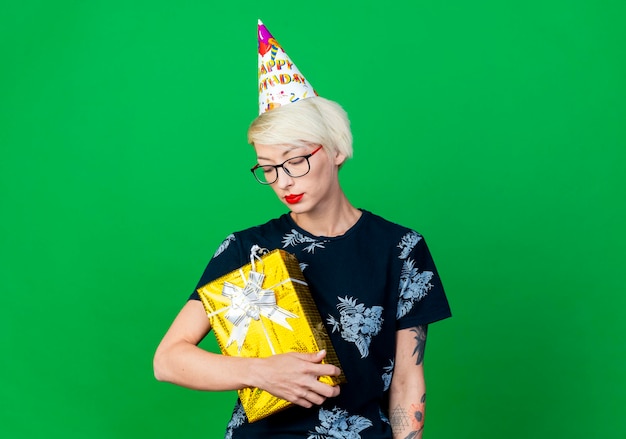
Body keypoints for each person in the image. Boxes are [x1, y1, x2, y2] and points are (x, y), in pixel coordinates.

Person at [154, 21, 451, 439]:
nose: (283, 181)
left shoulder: (401, 249)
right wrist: (260, 372)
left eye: (295, 161)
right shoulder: (246, 248)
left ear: (336, 150)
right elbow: (168, 360)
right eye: (269, 168)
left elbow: (407, 380)